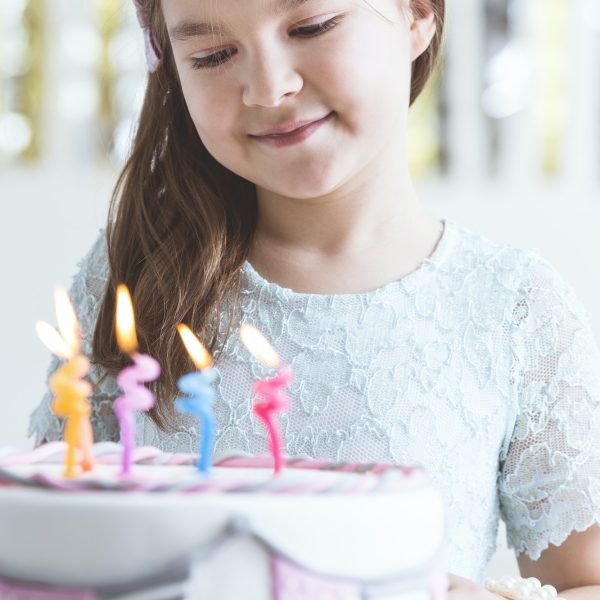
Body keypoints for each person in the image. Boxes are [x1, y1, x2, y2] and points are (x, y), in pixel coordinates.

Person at [29, 0, 600, 597]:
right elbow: (46, 538)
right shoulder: (134, 277)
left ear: (417, 15)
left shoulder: (515, 310)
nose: (268, 88)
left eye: (312, 26)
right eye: (213, 55)